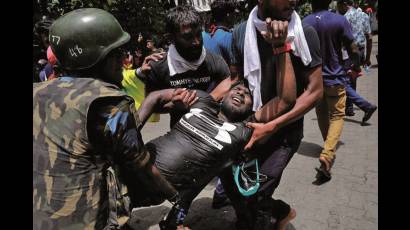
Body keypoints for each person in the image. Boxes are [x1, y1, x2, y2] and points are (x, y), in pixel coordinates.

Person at [33, 8, 181, 229]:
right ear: (96, 57)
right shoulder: (109, 102)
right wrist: (176, 197)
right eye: (117, 52)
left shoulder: (37, 91)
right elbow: (141, 165)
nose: (123, 58)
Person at [145, 40, 297, 228]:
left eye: (247, 95)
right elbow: (158, 100)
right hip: (200, 165)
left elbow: (286, 99)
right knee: (204, 176)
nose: (241, 93)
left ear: (252, 107)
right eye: (238, 90)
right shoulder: (203, 101)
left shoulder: (246, 127)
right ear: (224, 95)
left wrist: (282, 47)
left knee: (247, 194)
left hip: (228, 158)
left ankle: (279, 212)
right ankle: (178, 220)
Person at [223, 0, 323, 229]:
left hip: (285, 133)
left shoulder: (305, 32)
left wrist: (273, 125)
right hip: (252, 129)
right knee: (236, 189)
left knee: (258, 193)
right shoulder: (240, 33)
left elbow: (315, 91)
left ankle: (275, 216)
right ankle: (270, 214)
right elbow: (236, 80)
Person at [138, 5, 233, 128]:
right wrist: (174, 105)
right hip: (179, 133)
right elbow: (153, 105)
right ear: (171, 38)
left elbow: (229, 81)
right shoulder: (157, 66)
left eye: (199, 34)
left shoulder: (212, 60)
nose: (197, 42)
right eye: (188, 37)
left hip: (210, 128)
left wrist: (205, 101)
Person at [303, 0, 361, 180]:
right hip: (334, 77)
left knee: (321, 113)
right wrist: (356, 66)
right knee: (337, 115)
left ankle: (327, 147)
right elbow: (353, 48)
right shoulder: (339, 20)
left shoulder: (305, 22)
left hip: (314, 79)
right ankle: (327, 154)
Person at [337, 0, 377, 124]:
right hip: (360, 50)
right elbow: (369, 37)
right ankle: (349, 108)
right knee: (352, 78)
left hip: (348, 52)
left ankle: (364, 106)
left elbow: (340, 40)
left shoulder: (343, 18)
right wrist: (368, 57)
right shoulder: (364, 15)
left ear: (344, 4)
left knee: (344, 81)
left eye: (339, 5)